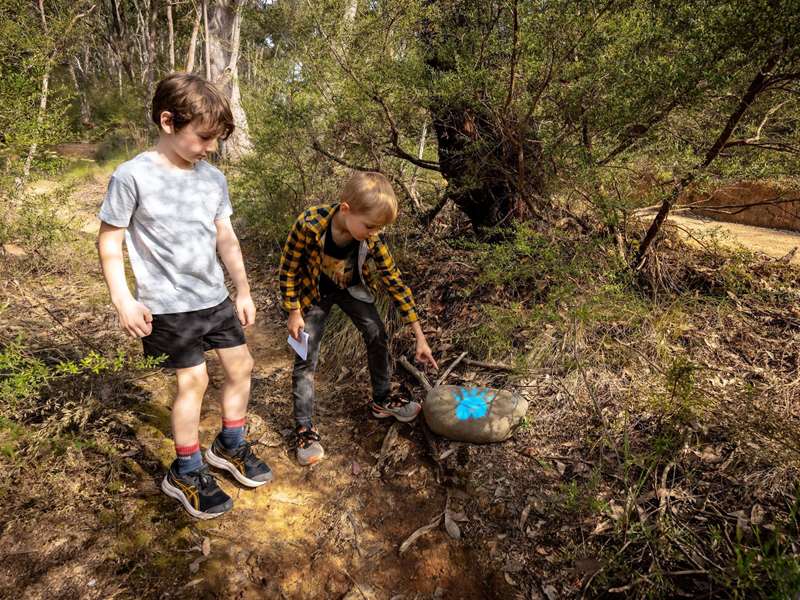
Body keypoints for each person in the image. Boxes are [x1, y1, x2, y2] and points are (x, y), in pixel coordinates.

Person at [96, 73, 272, 519]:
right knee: (194, 382)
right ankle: (186, 470)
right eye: (204, 136)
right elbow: (109, 241)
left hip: (213, 298)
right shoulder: (131, 176)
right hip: (169, 307)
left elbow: (225, 236)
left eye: (216, 138)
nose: (211, 147)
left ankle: (229, 445)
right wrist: (123, 300)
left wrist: (243, 289)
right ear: (168, 121)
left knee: (242, 366)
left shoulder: (212, 178)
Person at [279, 171, 438, 466]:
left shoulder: (371, 238)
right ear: (346, 209)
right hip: (311, 295)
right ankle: (304, 427)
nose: (374, 233)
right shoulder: (309, 223)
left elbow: (394, 281)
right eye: (369, 226)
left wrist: (419, 335)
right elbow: (288, 269)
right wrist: (293, 311)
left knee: (377, 332)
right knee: (305, 356)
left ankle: (382, 399)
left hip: (351, 288)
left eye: (378, 228)